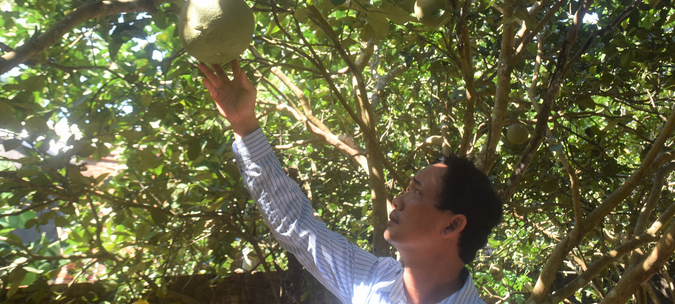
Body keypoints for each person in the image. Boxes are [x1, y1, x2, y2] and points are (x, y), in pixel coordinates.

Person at [199, 60, 503, 304]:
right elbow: (298, 227)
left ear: (452, 225)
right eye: (407, 189)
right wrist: (243, 125)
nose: (398, 201)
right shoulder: (371, 280)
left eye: (417, 193)